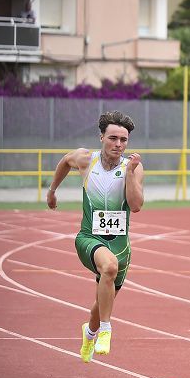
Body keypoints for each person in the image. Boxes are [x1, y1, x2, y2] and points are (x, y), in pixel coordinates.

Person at [46, 111, 144, 363]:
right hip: (89, 237)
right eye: (113, 138)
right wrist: (52, 190)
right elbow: (64, 161)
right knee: (108, 267)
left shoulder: (132, 166)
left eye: (124, 140)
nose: (118, 145)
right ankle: (106, 330)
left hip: (120, 246)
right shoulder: (85, 159)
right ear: (101, 136)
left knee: (102, 302)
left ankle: (90, 331)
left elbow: (135, 205)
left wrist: (131, 173)